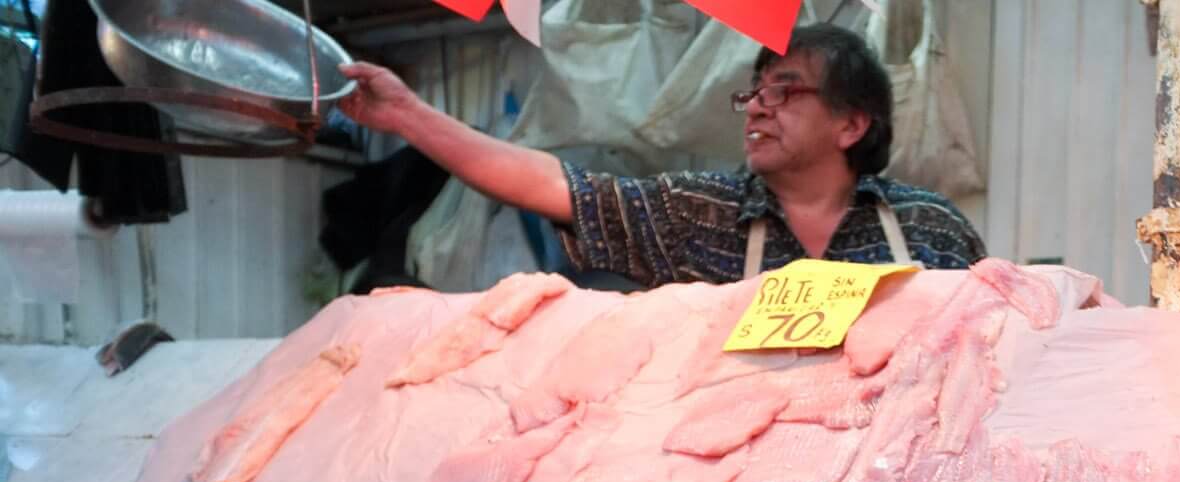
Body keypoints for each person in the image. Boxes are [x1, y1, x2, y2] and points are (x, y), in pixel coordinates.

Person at [337, 23, 986, 287]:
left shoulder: (935, 231)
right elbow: (551, 185)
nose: (757, 106)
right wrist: (406, 116)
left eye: (784, 91)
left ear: (851, 125)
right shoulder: (695, 211)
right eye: (753, 92)